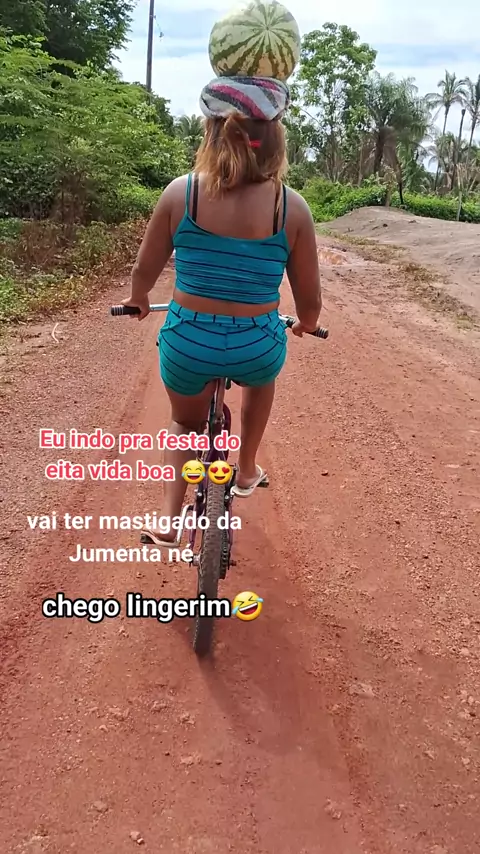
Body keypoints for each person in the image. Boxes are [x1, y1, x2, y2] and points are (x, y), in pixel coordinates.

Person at [121, 75, 322, 544]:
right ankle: (247, 466)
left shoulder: (180, 194)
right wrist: (307, 324)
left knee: (184, 422)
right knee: (262, 378)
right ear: (275, 137)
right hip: (256, 342)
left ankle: (169, 518)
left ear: (210, 133)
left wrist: (138, 300)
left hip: (189, 342)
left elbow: (143, 271)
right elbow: (309, 301)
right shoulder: (292, 208)